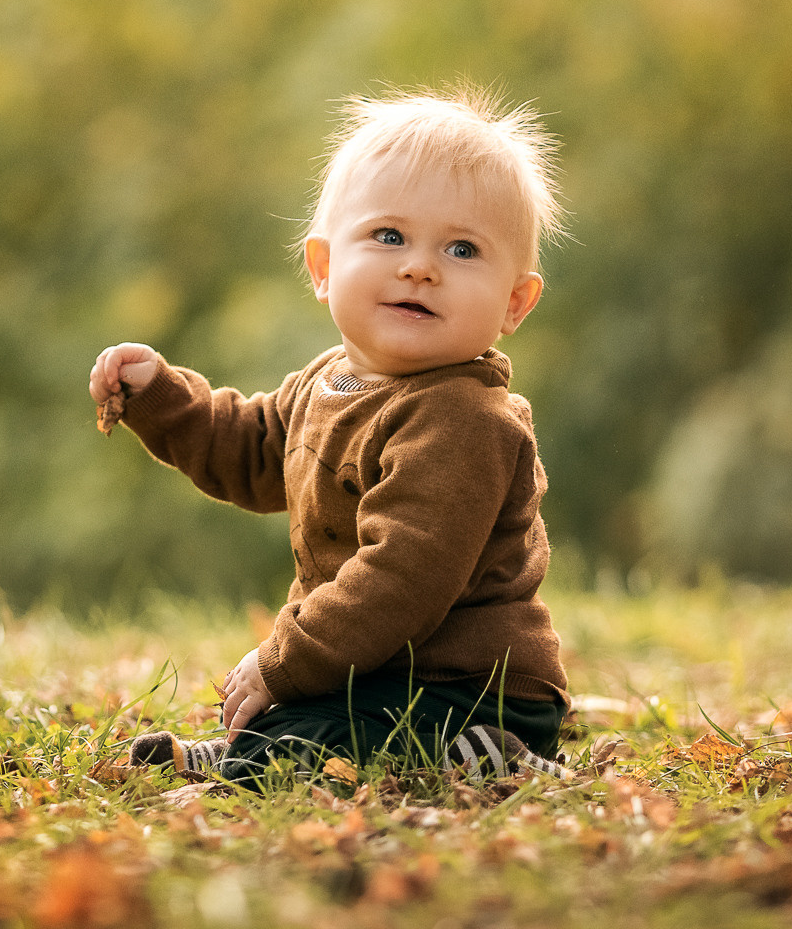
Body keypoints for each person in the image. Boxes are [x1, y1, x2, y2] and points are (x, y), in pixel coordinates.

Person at [88, 91, 572, 788]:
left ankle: (492, 751)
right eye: (389, 236)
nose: (420, 267)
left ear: (513, 303)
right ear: (322, 268)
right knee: (299, 718)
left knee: (319, 735)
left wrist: (285, 661)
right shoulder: (330, 381)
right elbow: (251, 449)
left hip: (465, 687)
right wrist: (162, 398)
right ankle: (256, 749)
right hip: (372, 667)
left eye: (462, 249)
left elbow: (400, 578)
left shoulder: (465, 421)